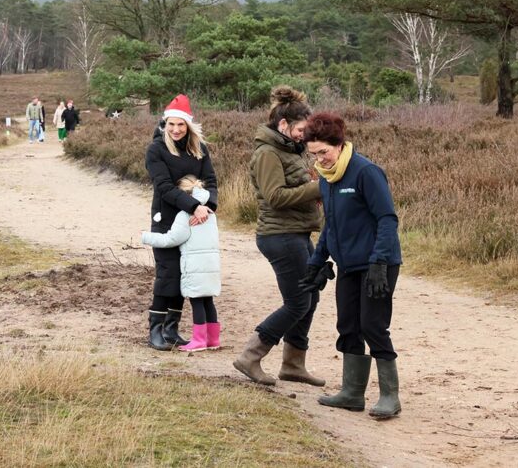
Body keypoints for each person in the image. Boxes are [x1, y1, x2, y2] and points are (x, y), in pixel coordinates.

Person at [301, 112, 403, 419]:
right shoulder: (327, 180)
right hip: (347, 265)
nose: (320, 159)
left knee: (373, 325)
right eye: (314, 154)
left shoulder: (365, 172)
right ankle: (352, 393)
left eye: (324, 152)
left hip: (377, 264)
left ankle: (390, 396)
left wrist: (379, 262)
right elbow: (331, 225)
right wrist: (317, 261)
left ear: (338, 143)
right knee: (347, 325)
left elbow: (387, 218)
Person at [234, 87, 325, 387]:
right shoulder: (267, 153)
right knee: (298, 301)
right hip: (279, 236)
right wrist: (318, 188)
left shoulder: (290, 151)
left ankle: (293, 364)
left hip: (297, 233)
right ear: (283, 124)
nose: (305, 135)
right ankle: (250, 355)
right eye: (301, 129)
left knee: (310, 298)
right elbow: (275, 197)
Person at [144, 93, 218, 350]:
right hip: (166, 219)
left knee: (185, 275)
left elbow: (211, 181)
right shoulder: (156, 149)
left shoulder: (199, 149)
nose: (176, 129)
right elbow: (163, 187)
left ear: (188, 125)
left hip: (195, 222)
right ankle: (155, 330)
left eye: (181, 124)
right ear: (165, 124)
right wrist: (193, 206)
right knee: (168, 274)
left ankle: (172, 329)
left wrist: (207, 207)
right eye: (172, 124)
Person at [141, 175, 221, 352]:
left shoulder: (185, 214)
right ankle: (213, 339)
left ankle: (199, 340)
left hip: (193, 266)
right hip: (211, 264)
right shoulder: (210, 213)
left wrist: (146, 236)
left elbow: (172, 238)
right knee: (208, 301)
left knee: (197, 300)